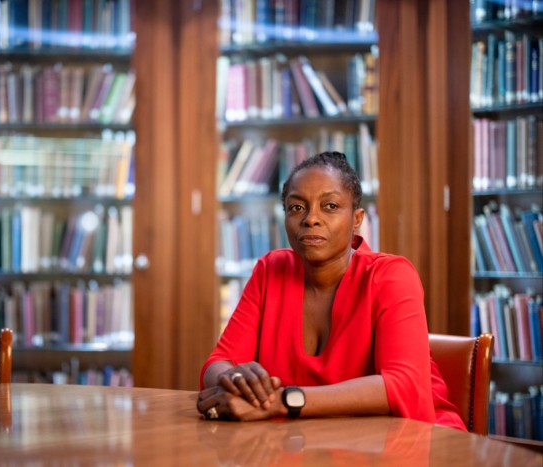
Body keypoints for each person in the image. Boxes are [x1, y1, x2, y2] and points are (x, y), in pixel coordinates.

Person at [197, 151, 465, 430]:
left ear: (357, 219)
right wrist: (237, 383)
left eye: (331, 206)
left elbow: (402, 385)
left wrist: (283, 401)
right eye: (297, 208)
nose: (311, 219)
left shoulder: (392, 276)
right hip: (309, 440)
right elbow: (219, 362)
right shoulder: (270, 270)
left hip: (414, 440)